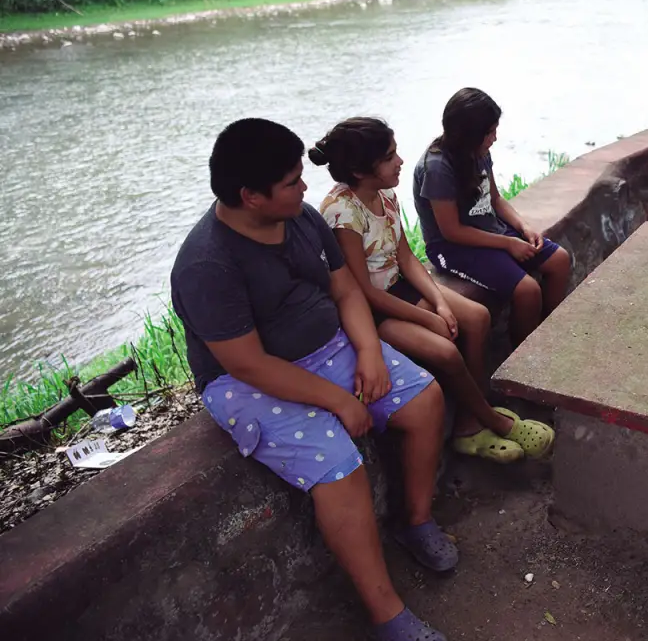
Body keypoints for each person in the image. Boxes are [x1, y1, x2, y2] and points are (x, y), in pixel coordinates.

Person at [171, 118, 454, 641]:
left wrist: (369, 351)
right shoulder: (207, 264)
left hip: (330, 347)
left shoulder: (301, 218)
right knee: (338, 463)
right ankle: (386, 613)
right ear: (250, 196)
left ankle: (415, 522)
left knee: (424, 399)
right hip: (247, 382)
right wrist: (334, 399)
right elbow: (247, 363)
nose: (306, 187)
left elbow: (346, 290)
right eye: (292, 181)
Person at [313, 116, 554, 464]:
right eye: (389, 157)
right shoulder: (342, 214)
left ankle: (470, 421)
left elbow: (407, 258)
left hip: (400, 287)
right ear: (361, 169)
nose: (400, 162)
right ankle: (491, 420)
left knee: (477, 316)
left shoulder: (385, 193)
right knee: (445, 351)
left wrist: (440, 301)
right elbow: (362, 291)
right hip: (372, 311)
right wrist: (426, 318)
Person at [412, 87, 572, 347]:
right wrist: (508, 244)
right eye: (490, 132)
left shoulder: (479, 152)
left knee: (559, 260)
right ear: (469, 135)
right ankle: (523, 357)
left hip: (491, 231)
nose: (495, 138)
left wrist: (523, 227)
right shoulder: (438, 167)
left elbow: (495, 199)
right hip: (453, 248)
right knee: (527, 291)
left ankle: (547, 335)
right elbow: (451, 231)